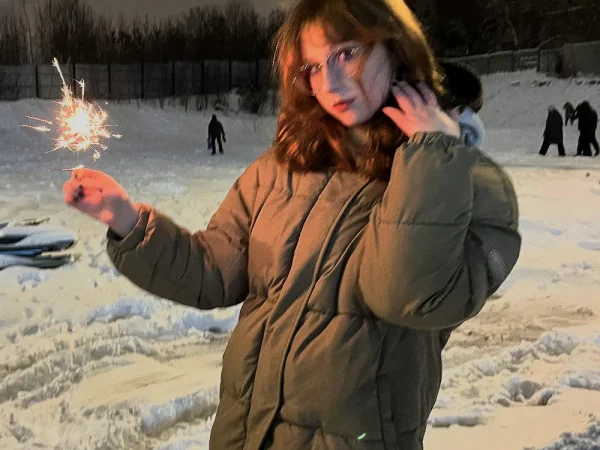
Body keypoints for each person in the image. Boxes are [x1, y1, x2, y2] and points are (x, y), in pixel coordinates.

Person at [62, 0, 521, 448]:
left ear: (396, 47)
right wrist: (127, 221)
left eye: (347, 53)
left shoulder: (472, 186)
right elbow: (213, 270)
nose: (331, 82)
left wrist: (432, 158)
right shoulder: (283, 167)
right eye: (314, 66)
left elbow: (405, 296)